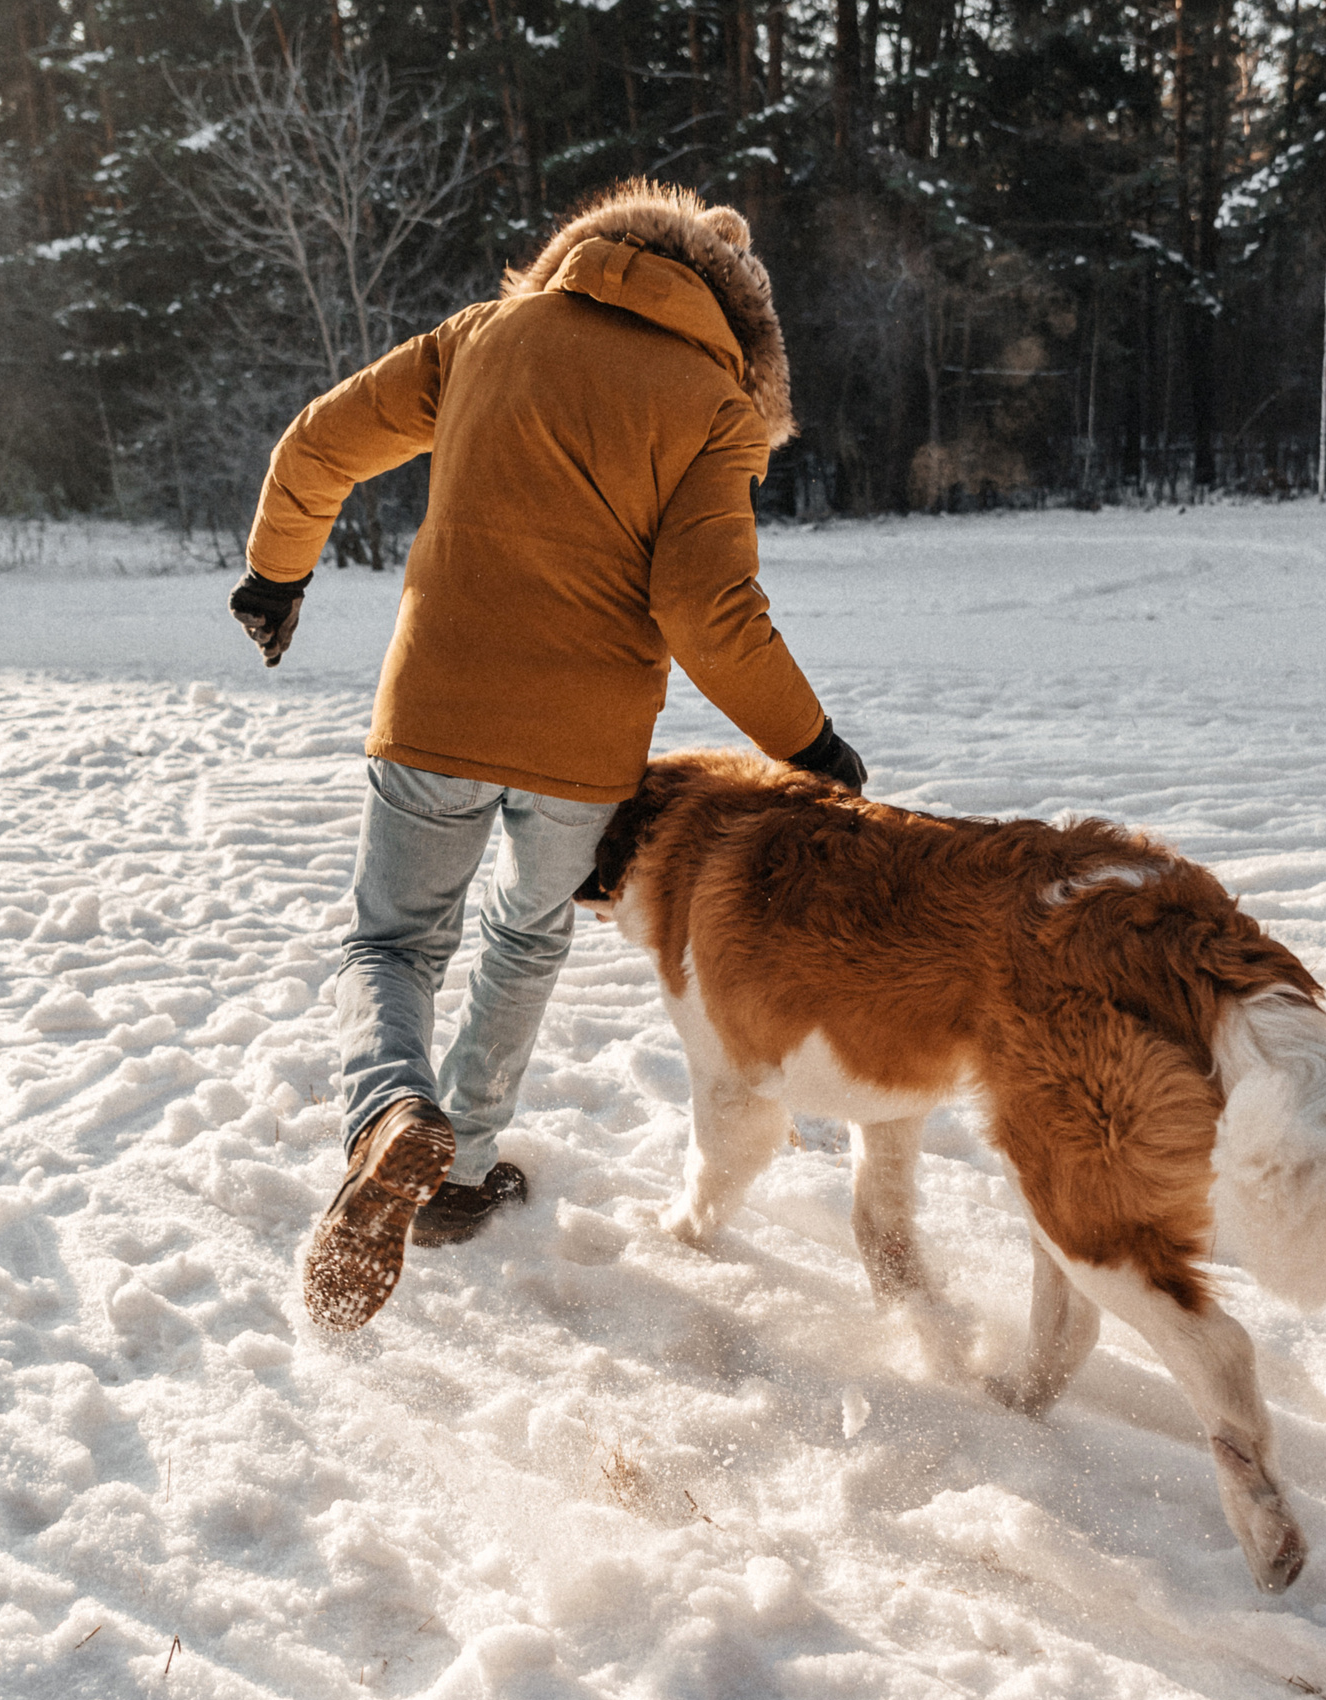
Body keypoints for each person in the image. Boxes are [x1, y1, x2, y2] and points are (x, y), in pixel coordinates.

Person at [230, 180, 868, 1333]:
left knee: (390, 941)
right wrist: (809, 744)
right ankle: (461, 1168)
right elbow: (705, 601)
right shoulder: (715, 406)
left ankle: (388, 1114)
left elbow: (321, 442)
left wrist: (277, 575)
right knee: (524, 936)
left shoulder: (487, 334)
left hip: (435, 710)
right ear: (739, 318)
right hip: (583, 752)